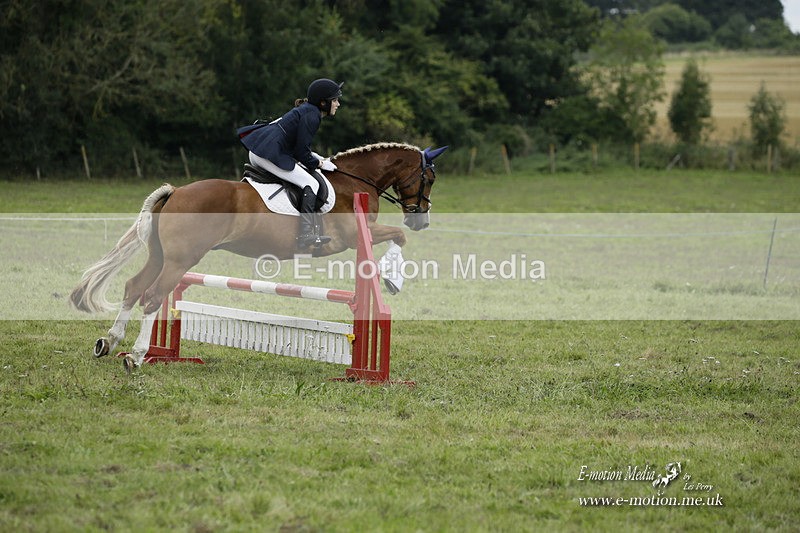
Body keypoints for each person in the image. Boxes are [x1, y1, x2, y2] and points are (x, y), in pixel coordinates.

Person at [237, 78, 343, 248]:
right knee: (310, 183)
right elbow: (301, 153)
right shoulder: (312, 116)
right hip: (268, 154)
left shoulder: (307, 110)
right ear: (323, 102)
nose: (338, 104)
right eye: (335, 100)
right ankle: (306, 234)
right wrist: (320, 164)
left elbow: (297, 147)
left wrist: (317, 157)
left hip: (260, 150)